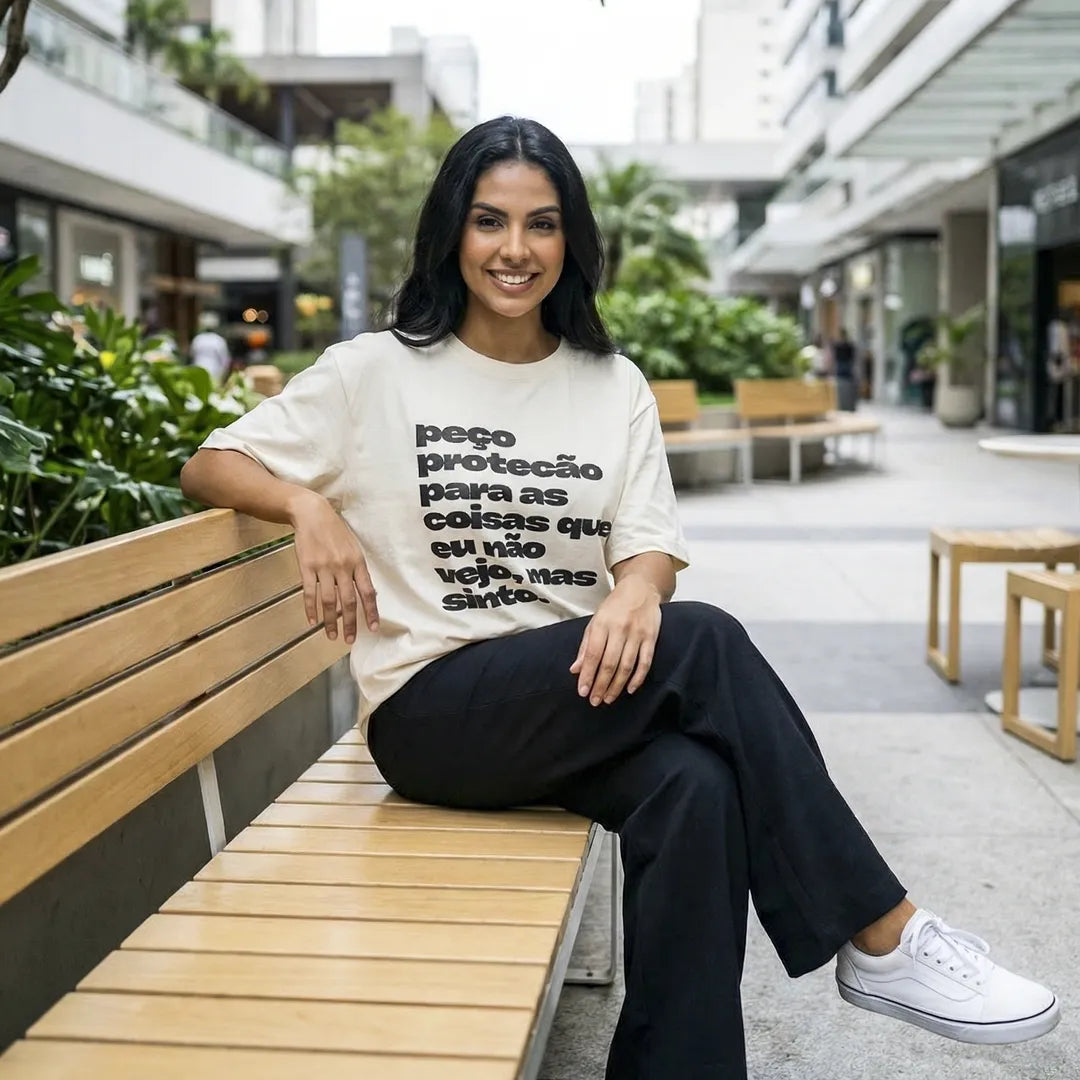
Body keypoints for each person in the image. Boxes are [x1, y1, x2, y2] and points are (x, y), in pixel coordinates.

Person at [179, 117, 1059, 1079]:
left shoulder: (610, 385)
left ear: (572, 241)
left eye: (542, 225)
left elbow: (647, 546)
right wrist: (306, 502)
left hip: (580, 698)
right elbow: (209, 464)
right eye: (490, 222)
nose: (516, 250)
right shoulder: (372, 372)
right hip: (436, 716)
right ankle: (881, 932)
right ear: (451, 234)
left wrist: (640, 589)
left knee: (698, 787)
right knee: (708, 643)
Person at [189, 312, 232, 384]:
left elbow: (191, 356)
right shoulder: (219, 340)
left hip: (199, 370)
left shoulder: (198, 339)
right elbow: (225, 360)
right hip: (214, 372)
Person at [831, 327, 859, 411]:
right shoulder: (846, 345)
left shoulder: (841, 345)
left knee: (842, 384)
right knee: (843, 384)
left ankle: (845, 403)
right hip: (844, 366)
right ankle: (843, 403)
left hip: (844, 366)